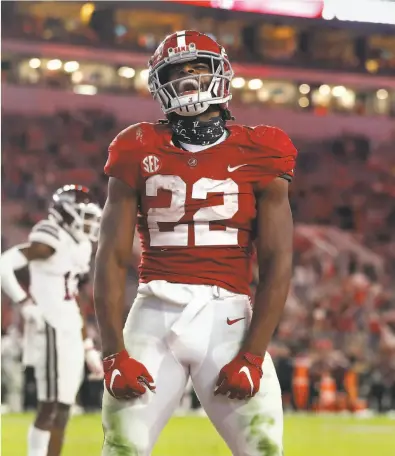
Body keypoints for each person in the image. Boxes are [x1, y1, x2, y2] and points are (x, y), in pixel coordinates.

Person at [95, 30, 296, 456]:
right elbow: (110, 259)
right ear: (158, 83)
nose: (187, 79)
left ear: (219, 74)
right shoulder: (136, 145)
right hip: (154, 311)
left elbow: (279, 264)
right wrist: (113, 354)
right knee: (122, 447)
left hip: (228, 318)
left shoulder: (263, 148)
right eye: (175, 71)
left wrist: (254, 355)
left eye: (196, 68)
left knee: (263, 448)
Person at [0, 185, 104, 456]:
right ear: (67, 213)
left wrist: (88, 347)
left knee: (65, 408)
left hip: (69, 326)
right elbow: (4, 265)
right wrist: (24, 303)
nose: (90, 223)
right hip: (50, 327)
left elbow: (74, 298)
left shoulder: (80, 246)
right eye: (84, 216)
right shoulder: (51, 236)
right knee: (50, 407)